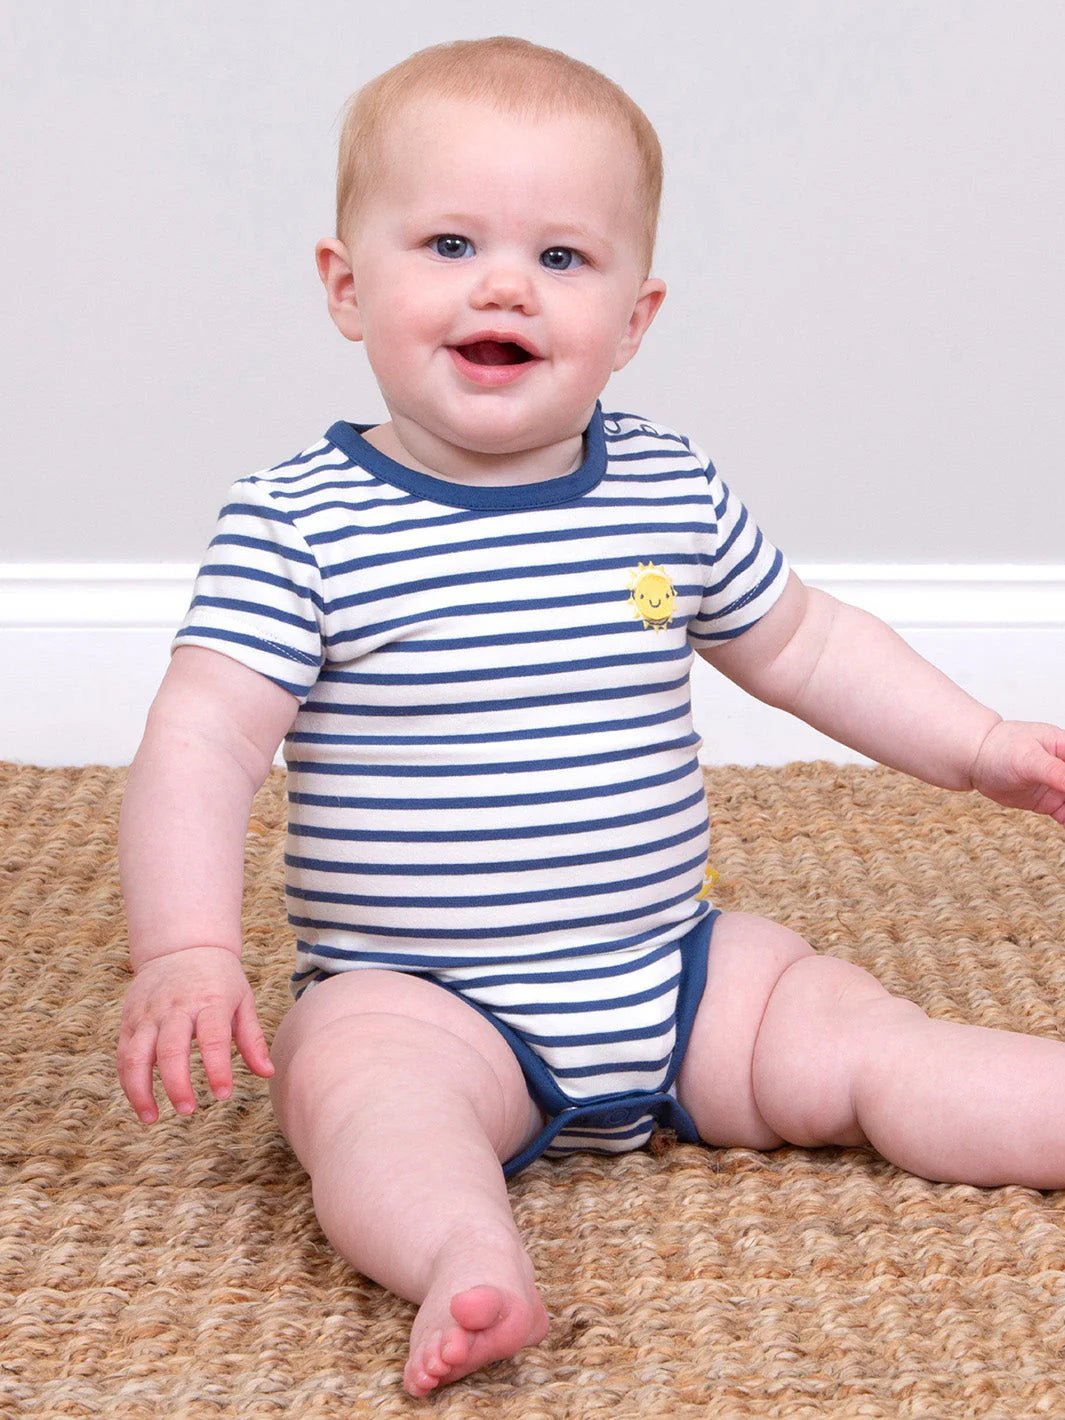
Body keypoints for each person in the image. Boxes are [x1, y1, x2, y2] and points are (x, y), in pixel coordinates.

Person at [116, 35, 1065, 1400]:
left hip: (677, 977)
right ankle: (464, 1262)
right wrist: (188, 945)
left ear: (633, 318)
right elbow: (202, 739)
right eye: (447, 242)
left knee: (869, 1043)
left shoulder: (667, 489)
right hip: (424, 996)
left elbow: (804, 641)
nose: (504, 282)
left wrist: (973, 746)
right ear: (344, 286)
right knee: (364, 1102)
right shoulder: (301, 524)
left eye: (562, 259)